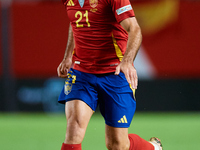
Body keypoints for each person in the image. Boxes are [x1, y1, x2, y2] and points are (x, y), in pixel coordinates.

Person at [57, 0, 163, 149]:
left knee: (117, 145)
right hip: (82, 73)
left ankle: (152, 147)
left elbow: (135, 29)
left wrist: (127, 61)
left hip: (115, 73)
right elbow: (75, 21)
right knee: (73, 130)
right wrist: (68, 56)